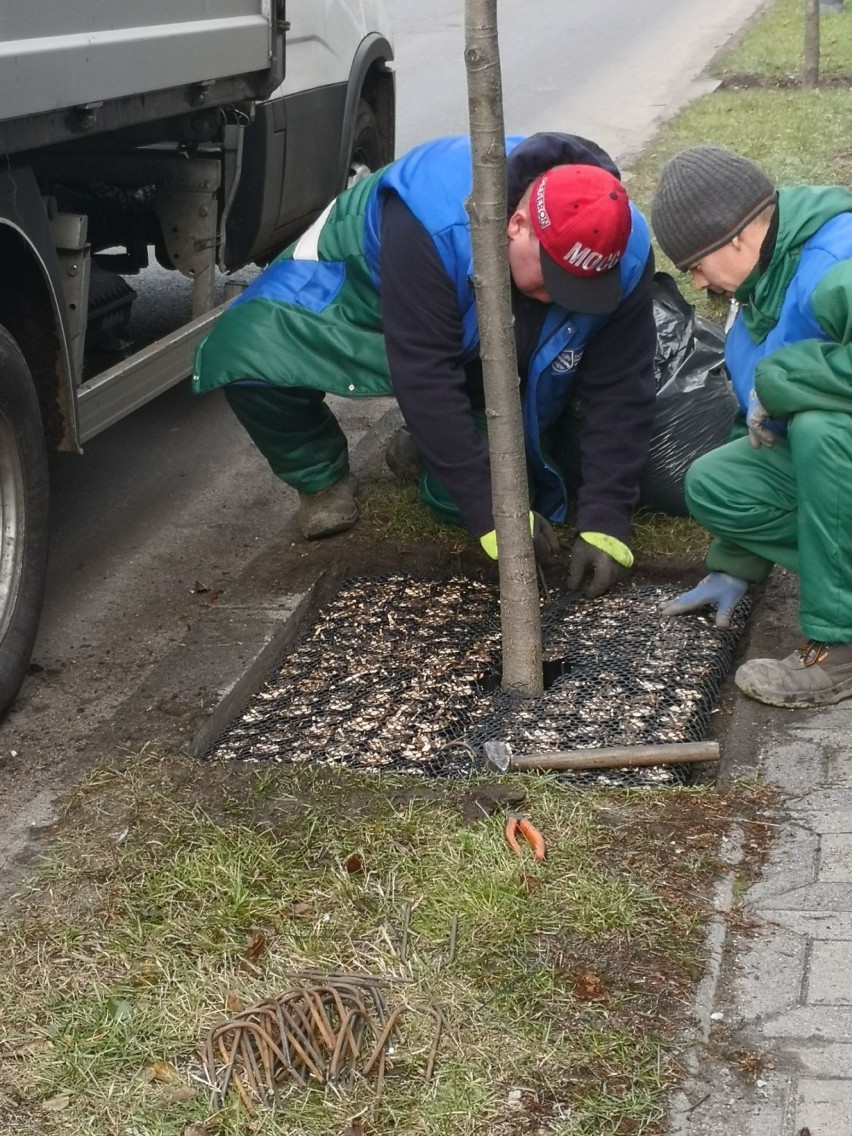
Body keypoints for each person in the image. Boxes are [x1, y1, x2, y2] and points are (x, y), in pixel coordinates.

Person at [193, 132, 657, 598]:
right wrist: (490, 511)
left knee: (485, 492)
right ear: (517, 224)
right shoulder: (432, 221)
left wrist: (606, 520)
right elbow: (425, 376)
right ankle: (320, 477)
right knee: (248, 356)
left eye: (580, 286)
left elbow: (621, 385)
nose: (561, 296)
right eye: (554, 277)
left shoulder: (621, 243)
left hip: (460, 313)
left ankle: (419, 449)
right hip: (354, 287)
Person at [651, 143, 852, 707]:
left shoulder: (837, 262)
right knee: (717, 481)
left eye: (696, 264)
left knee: (821, 429)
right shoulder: (757, 286)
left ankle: (840, 650)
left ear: (738, 237)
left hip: (837, 450)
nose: (695, 283)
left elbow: (783, 387)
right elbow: (754, 424)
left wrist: (786, 379)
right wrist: (733, 563)